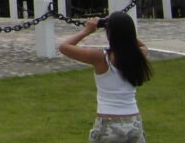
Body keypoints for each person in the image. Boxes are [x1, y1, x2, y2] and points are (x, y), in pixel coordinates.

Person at [58, 11, 153, 142]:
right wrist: (124, 31)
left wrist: (87, 30)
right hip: (134, 120)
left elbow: (64, 47)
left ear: (110, 33)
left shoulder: (101, 58)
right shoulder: (139, 55)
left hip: (108, 121)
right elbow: (142, 45)